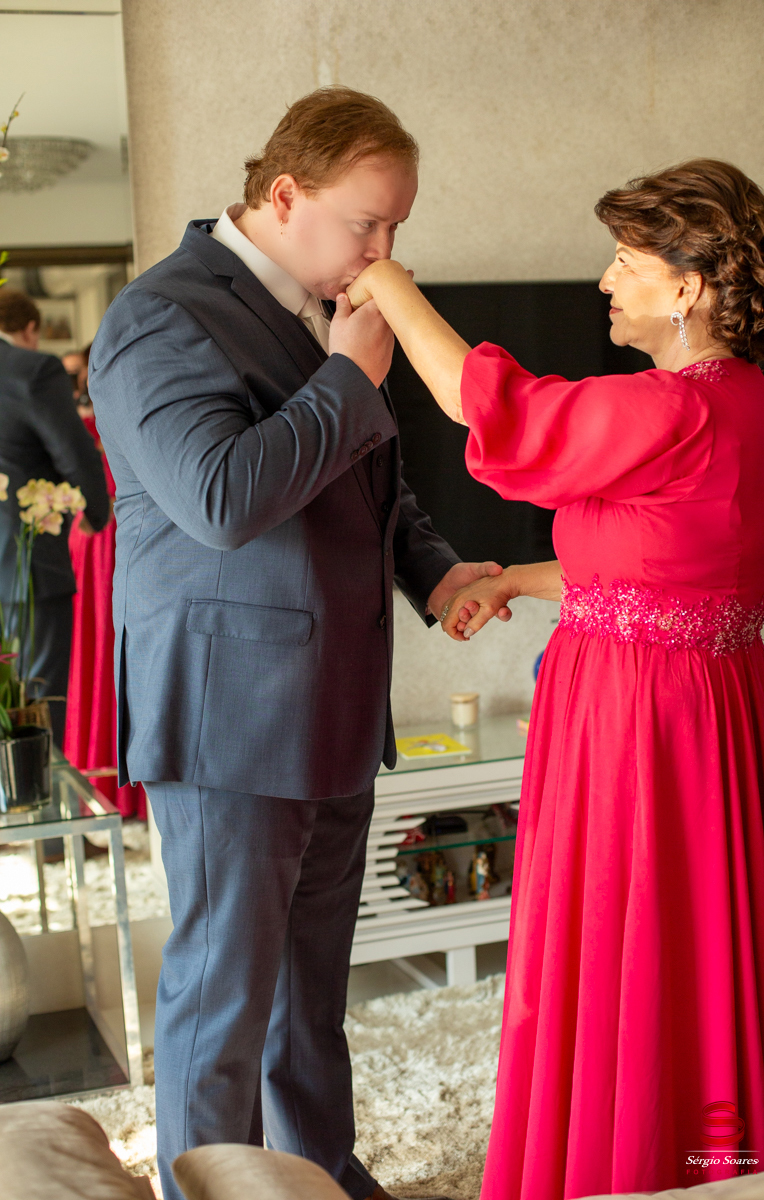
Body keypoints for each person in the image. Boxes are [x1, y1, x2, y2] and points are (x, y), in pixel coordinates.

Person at [345, 159, 764, 1198]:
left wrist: (389, 281)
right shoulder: (741, 402)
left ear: (686, 288)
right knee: (691, 957)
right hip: (706, 716)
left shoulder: (669, 406)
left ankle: (629, 1160)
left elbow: (495, 410)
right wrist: (515, 578)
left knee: (629, 950)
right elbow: (663, 569)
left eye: (626, 261)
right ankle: (709, 1157)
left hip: (637, 724)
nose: (605, 280)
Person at [89, 86, 499, 1200]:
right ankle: (208, 1190)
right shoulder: (159, 317)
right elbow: (221, 498)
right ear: (284, 194)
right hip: (228, 711)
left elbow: (366, 487)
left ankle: (318, 1173)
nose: (384, 253)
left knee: (311, 992)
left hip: (334, 703)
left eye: (396, 226)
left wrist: (433, 571)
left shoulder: (323, 312)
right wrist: (348, 376)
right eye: (368, 223)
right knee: (221, 998)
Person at [0, 288, 108, 748]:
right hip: (26, 562)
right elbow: (73, 451)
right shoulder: (33, 369)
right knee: (38, 701)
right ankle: (36, 790)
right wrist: (96, 510)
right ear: (30, 329)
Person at [64, 385, 147, 819]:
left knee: (108, 648)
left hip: (100, 531)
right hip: (107, 535)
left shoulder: (89, 421)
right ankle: (111, 787)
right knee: (105, 646)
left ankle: (115, 788)